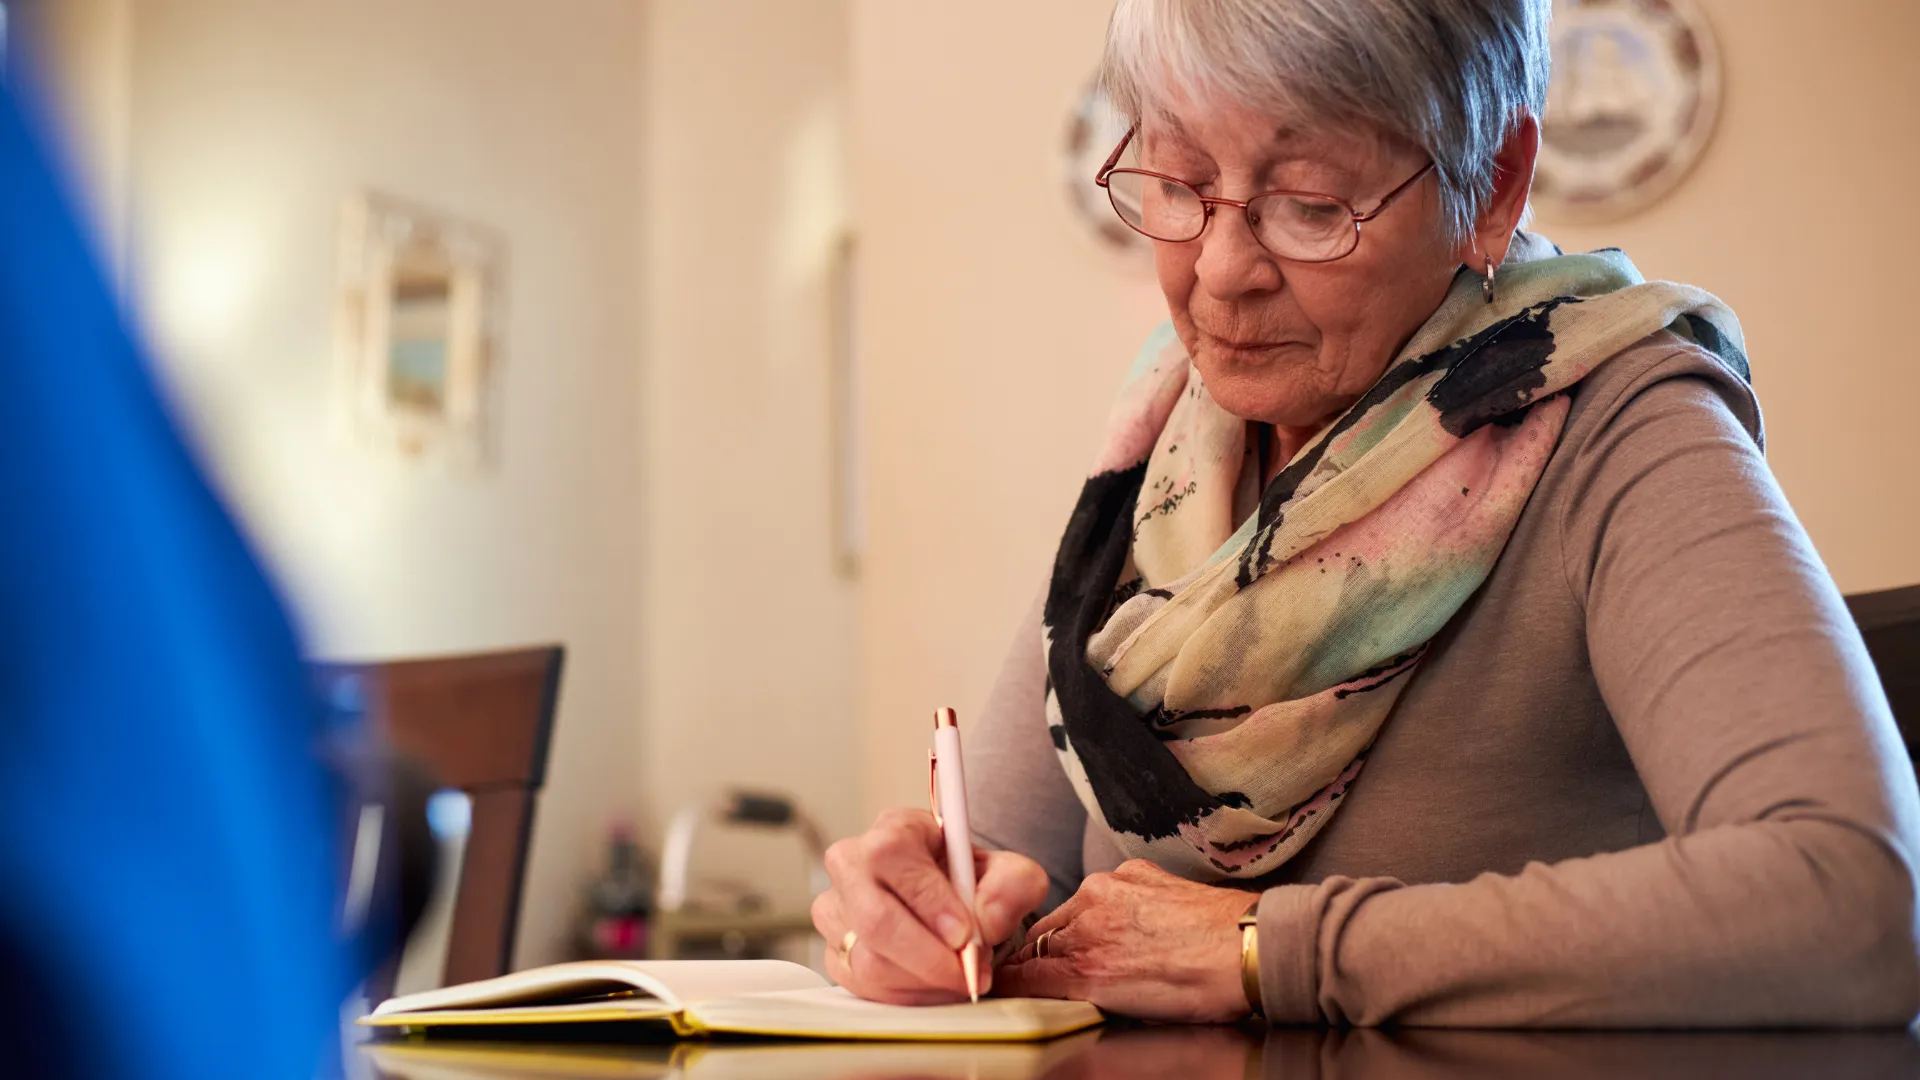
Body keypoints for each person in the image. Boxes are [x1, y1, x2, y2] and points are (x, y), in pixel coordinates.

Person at [810, 0, 1920, 1026]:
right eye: (1180, 184)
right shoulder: (1167, 451)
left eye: (1310, 206)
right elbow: (1012, 881)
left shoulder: (1617, 427)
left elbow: (1851, 897)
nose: (1223, 271)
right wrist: (916, 918)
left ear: (1493, 185)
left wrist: (1271, 950)